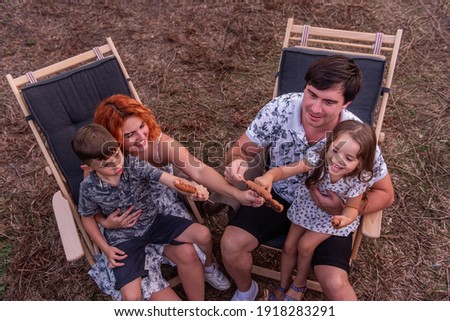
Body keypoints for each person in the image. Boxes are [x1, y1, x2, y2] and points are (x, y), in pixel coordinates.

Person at [217, 55, 394, 301]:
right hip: (278, 195)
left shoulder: (356, 138)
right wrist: (237, 162)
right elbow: (239, 150)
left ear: (347, 103)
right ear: (305, 86)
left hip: (327, 213)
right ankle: (247, 292)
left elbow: (385, 194)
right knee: (231, 245)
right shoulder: (280, 109)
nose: (315, 108)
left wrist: (343, 208)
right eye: (312, 94)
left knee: (334, 283)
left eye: (329, 102)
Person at [93, 94, 262, 300]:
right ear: (114, 138)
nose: (141, 136)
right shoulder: (102, 161)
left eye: (142, 126)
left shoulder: (158, 144)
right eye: (130, 135)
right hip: (125, 226)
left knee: (190, 252)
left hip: (161, 211)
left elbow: (198, 170)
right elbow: (89, 201)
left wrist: (237, 193)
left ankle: (205, 272)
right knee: (138, 293)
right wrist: (105, 222)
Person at [72, 123, 229, 301]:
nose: (117, 164)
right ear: (90, 168)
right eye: (107, 164)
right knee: (131, 298)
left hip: (153, 223)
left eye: (117, 154)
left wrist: (192, 188)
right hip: (124, 238)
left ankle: (208, 267)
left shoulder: (134, 165)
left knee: (203, 234)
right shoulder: (88, 188)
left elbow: (169, 179)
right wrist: (106, 248)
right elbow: (87, 218)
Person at [254, 120, 377, 300]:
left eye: (349, 158)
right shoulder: (317, 157)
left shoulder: (358, 178)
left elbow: (352, 208)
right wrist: (269, 176)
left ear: (360, 163)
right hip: (307, 206)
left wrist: (344, 219)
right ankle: (284, 284)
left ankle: (299, 285)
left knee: (305, 245)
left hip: (332, 218)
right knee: (289, 246)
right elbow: (284, 171)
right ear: (329, 144)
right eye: (335, 150)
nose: (337, 160)